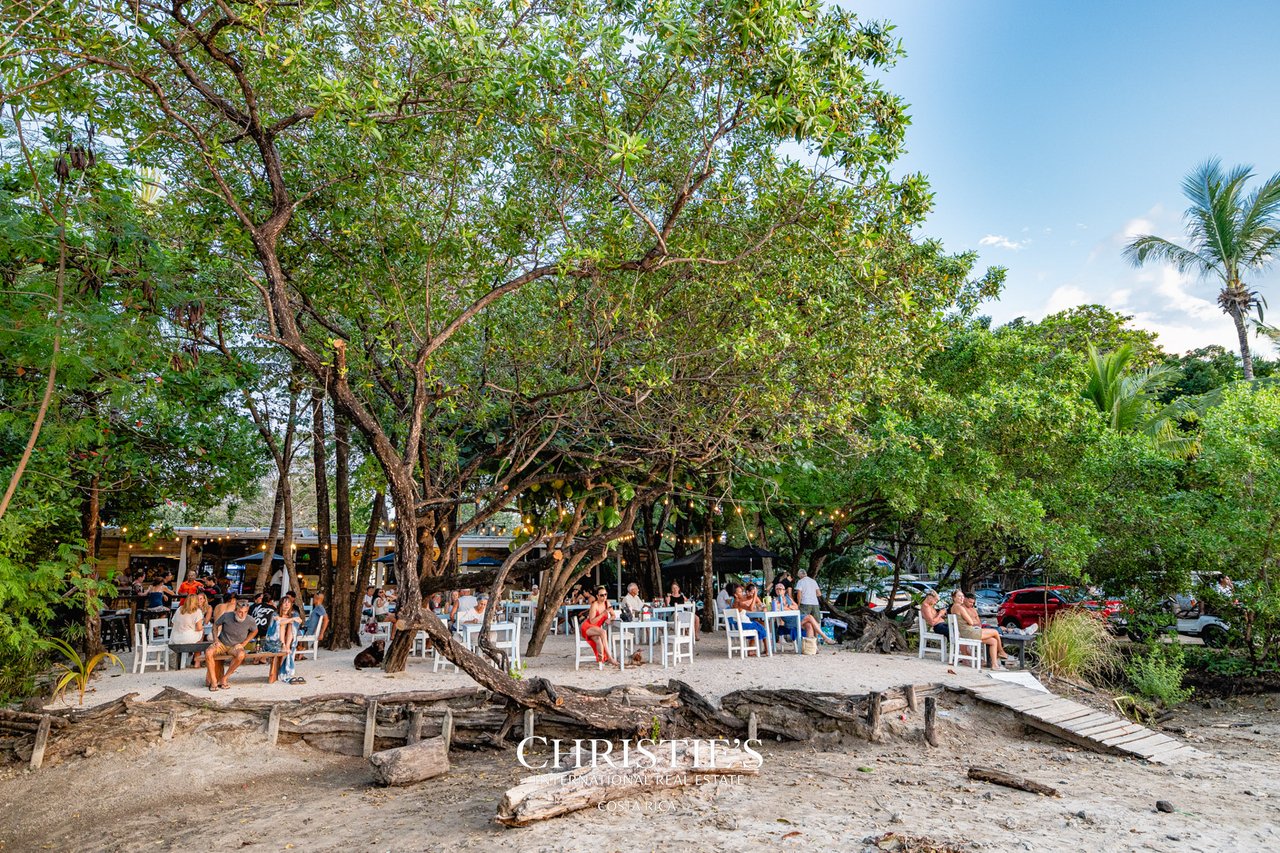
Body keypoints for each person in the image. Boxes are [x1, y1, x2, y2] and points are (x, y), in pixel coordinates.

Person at [206, 598, 258, 690]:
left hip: (235, 646)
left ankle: (224, 678)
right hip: (222, 643)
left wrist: (244, 643)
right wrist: (215, 639)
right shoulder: (227, 616)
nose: (242, 615)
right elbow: (215, 625)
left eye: (245, 612)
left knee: (241, 654)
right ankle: (214, 681)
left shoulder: (250, 620)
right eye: (240, 612)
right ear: (235, 611)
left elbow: (254, 631)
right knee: (208, 652)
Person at [954, 590, 1007, 670]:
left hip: (972, 631)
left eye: (973, 603)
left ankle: (994, 664)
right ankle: (1001, 652)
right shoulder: (960, 608)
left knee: (993, 641)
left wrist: (974, 623)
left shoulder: (966, 608)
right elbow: (971, 622)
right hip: (969, 633)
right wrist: (972, 622)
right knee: (995, 632)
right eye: (960, 596)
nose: (971, 604)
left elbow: (976, 622)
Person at [580, 585, 617, 666]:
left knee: (598, 640)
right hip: (587, 627)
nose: (604, 597)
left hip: (596, 629)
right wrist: (603, 613)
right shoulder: (594, 604)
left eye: (605, 594)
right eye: (601, 595)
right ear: (597, 596)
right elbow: (592, 621)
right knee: (603, 632)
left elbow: (614, 615)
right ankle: (610, 657)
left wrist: (610, 619)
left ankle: (601, 660)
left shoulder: (607, 603)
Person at [728, 583, 766, 654]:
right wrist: (755, 596)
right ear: (735, 595)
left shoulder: (734, 602)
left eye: (742, 591)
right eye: (740, 592)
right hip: (744, 625)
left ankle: (751, 650)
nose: (742, 593)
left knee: (757, 625)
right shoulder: (739, 602)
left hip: (739, 625)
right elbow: (751, 608)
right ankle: (766, 650)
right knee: (761, 627)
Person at [170, 594, 208, 667]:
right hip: (187, 638)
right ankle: (197, 661)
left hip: (176, 638)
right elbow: (199, 628)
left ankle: (189, 658)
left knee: (195, 634)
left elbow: (173, 623)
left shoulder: (179, 609)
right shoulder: (197, 611)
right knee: (201, 632)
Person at [277, 596, 304, 683]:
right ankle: (284, 645)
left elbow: (298, 621)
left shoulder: (293, 614)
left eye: (288, 603)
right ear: (281, 605)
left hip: (289, 640)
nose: (287, 605)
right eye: (284, 603)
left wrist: (291, 619)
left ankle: (287, 645)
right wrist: (291, 619)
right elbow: (278, 622)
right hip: (275, 639)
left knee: (292, 623)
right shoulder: (275, 613)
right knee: (284, 623)